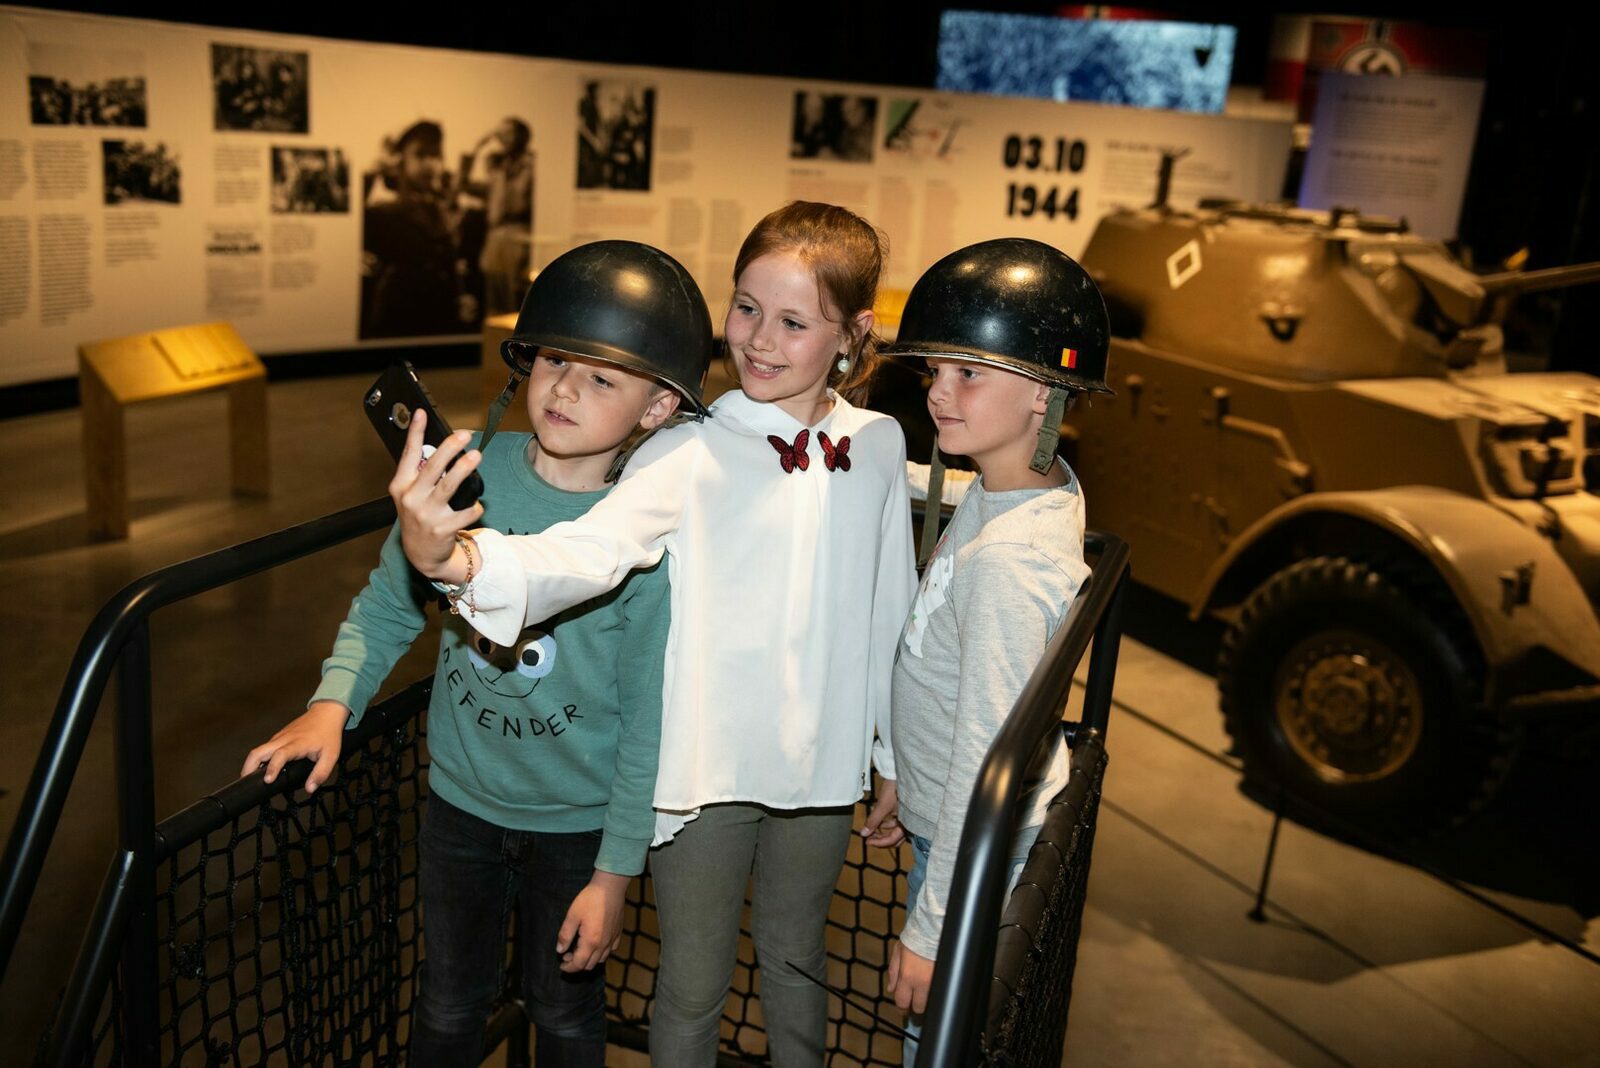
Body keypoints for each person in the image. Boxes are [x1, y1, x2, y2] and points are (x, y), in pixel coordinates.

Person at [393, 201, 917, 1067]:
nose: (757, 339)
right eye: (745, 307)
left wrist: (891, 756)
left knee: (797, 969)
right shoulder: (683, 449)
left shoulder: (882, 444)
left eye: (793, 321)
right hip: (702, 776)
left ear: (855, 332)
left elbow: (887, 606)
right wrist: (460, 564)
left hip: (821, 770)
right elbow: (587, 551)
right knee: (691, 986)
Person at [241, 240, 715, 1068]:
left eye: (602, 377)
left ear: (656, 409)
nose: (565, 386)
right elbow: (390, 605)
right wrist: (331, 704)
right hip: (459, 807)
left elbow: (648, 722)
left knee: (566, 1019)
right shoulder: (466, 475)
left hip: (577, 828)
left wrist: (614, 876)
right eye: (554, 359)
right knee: (448, 1004)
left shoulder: (647, 530)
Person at [859, 238, 1113, 1061]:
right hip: (947, 830)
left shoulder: (1012, 564)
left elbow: (983, 759)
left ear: (1044, 392)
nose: (937, 393)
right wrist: (902, 766)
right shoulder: (1021, 489)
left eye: (970, 375)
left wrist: (937, 932)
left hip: (968, 862)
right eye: (935, 371)